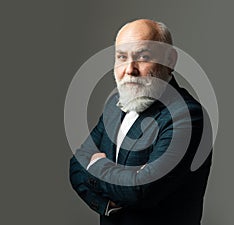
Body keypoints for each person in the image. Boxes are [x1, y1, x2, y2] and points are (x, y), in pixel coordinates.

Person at [69, 19, 212, 225]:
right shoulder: (114, 106)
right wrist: (107, 206)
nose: (130, 69)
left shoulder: (187, 116)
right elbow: (76, 166)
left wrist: (97, 164)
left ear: (170, 60)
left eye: (143, 57)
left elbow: (141, 190)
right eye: (121, 57)